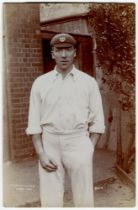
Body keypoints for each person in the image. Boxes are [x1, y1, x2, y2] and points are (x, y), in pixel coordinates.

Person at [26, 33, 105, 207]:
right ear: (52, 53)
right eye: (59, 50)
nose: (63, 55)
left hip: (78, 141)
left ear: (74, 52)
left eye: (68, 49)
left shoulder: (88, 82)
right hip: (50, 143)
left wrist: (88, 148)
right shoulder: (40, 83)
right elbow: (34, 123)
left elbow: (98, 122)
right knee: (50, 198)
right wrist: (41, 153)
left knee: (84, 198)